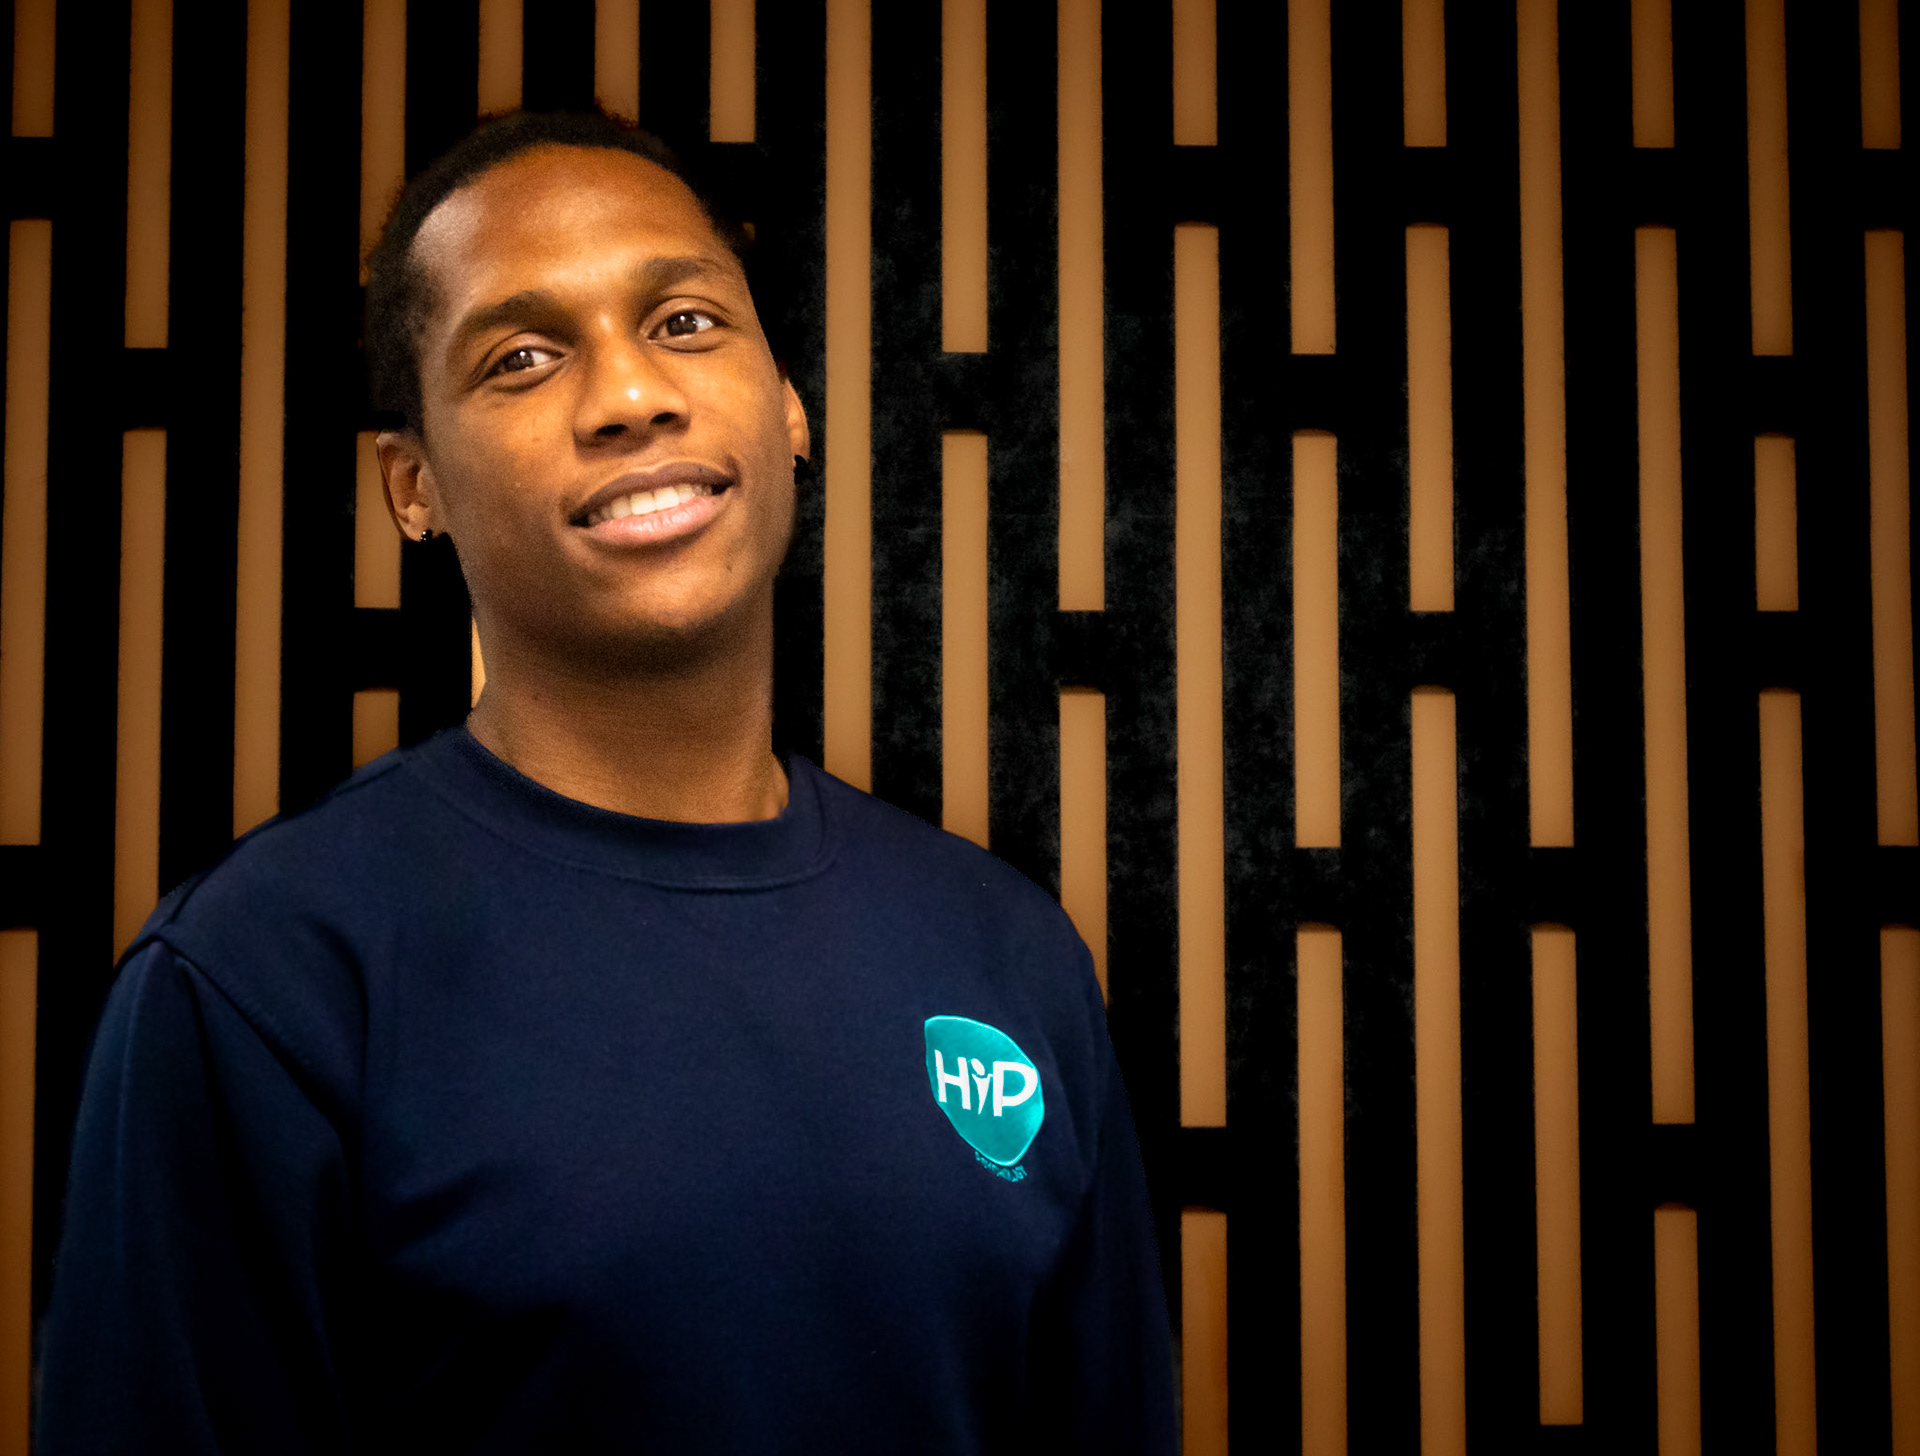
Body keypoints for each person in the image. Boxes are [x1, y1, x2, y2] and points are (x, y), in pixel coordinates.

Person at [37, 111, 1176, 1452]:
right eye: (522, 357)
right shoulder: (260, 980)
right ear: (413, 487)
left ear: (788, 402)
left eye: (685, 322)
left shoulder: (1008, 956)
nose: (632, 394)